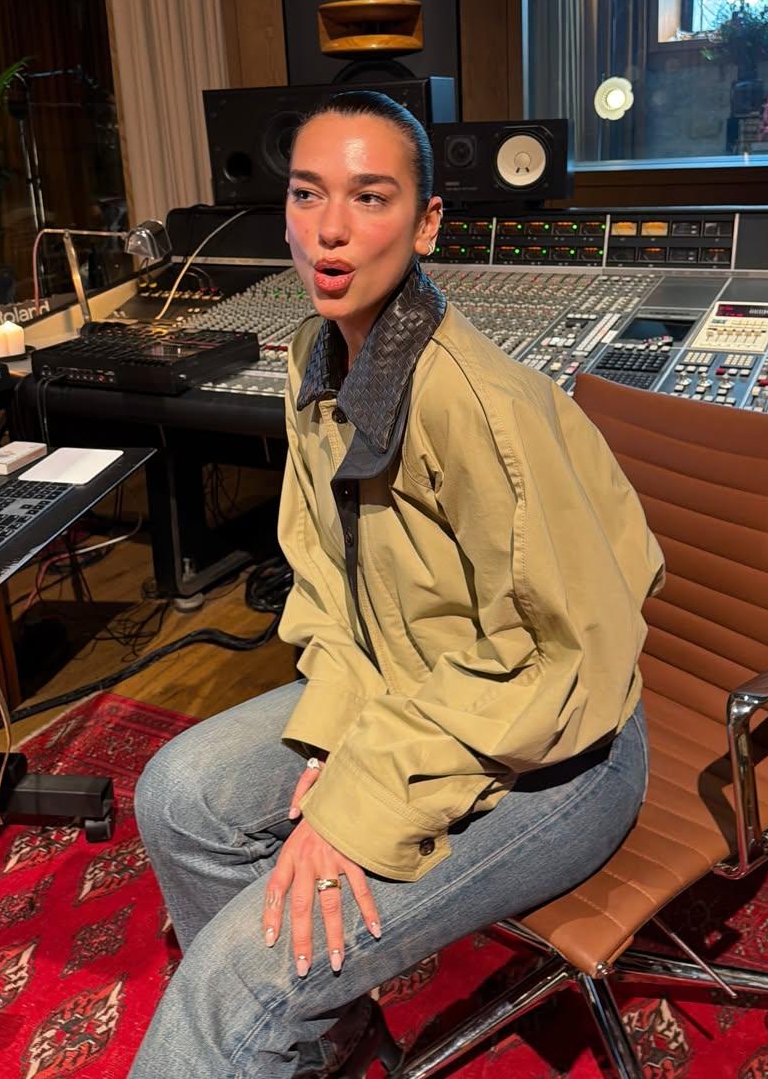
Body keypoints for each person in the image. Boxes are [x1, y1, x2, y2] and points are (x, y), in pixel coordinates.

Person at [129, 91, 664, 1078]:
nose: (329, 229)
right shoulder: (315, 356)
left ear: (427, 224)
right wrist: (339, 729)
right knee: (177, 797)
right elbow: (330, 586)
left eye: (370, 198)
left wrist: (361, 801)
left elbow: (558, 671)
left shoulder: (482, 408)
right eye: (307, 194)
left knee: (237, 981)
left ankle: (265, 1009)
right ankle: (316, 1043)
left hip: (563, 756)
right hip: (413, 694)